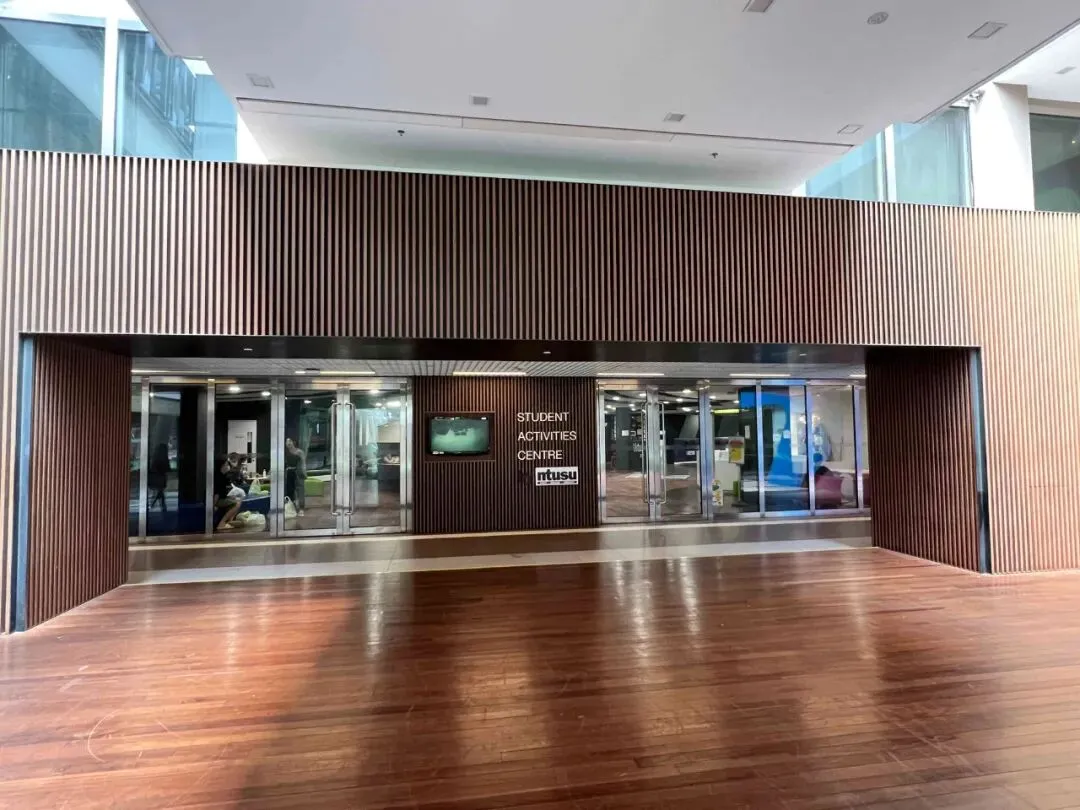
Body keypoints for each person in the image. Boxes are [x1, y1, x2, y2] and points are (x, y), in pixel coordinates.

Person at [214, 455, 243, 531]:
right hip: (216, 500)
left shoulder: (223, 476)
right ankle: (221, 524)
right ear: (222, 466)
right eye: (226, 464)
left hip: (221, 498)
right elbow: (216, 493)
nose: (228, 466)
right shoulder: (217, 477)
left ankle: (230, 522)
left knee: (238, 500)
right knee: (236, 503)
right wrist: (213, 505)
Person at [284, 437, 307, 516]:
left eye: (290, 441)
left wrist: (304, 473)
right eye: (286, 442)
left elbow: (303, 463)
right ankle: (292, 507)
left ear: (293, 442)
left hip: (298, 473)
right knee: (290, 491)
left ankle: (301, 509)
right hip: (289, 473)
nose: (288, 443)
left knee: (300, 491)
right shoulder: (285, 453)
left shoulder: (299, 452)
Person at [148, 443, 170, 512]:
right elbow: (167, 469)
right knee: (160, 493)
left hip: (157, 479)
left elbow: (152, 469)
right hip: (161, 479)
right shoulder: (164, 458)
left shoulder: (156, 457)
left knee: (159, 493)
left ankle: (154, 505)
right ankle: (160, 507)